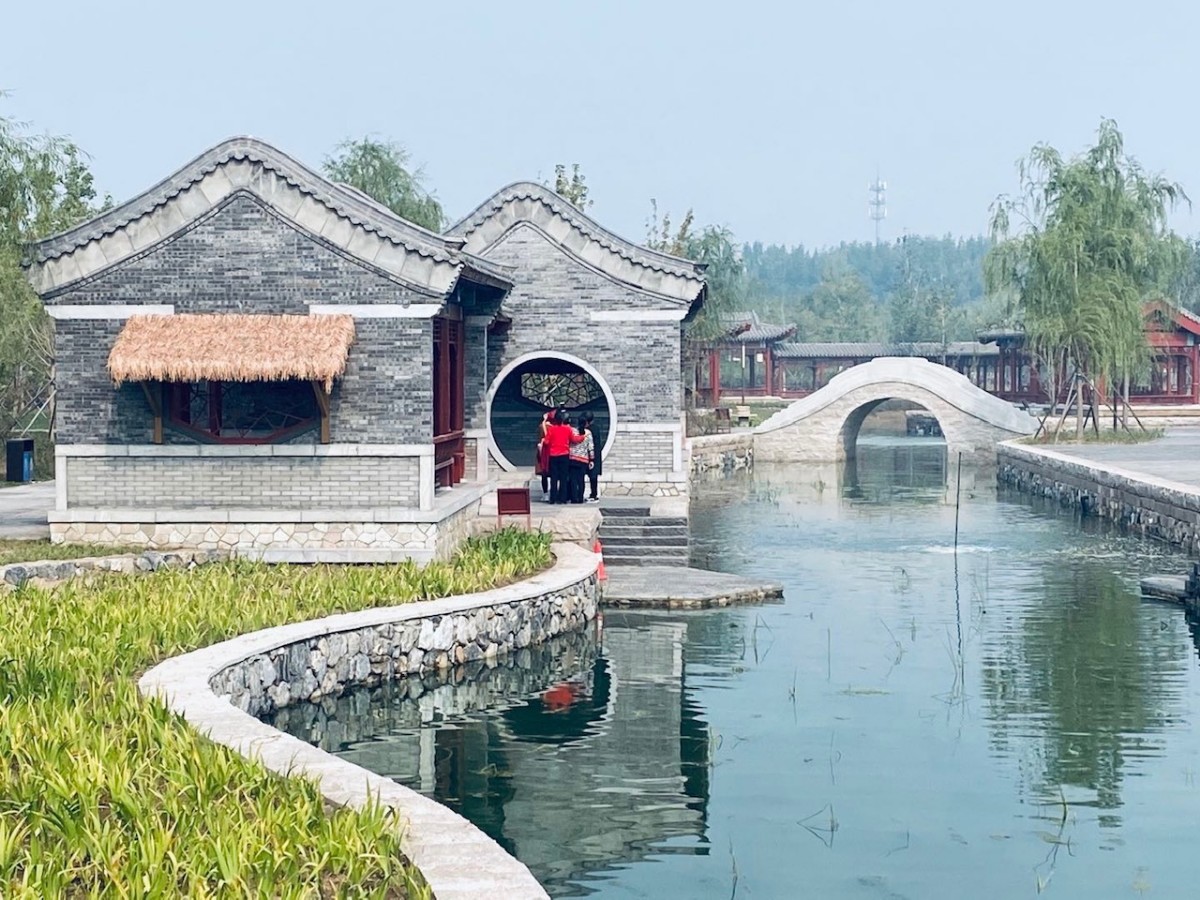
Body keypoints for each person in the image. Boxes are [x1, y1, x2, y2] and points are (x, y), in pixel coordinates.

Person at [544, 409, 584, 503]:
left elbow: (546, 442)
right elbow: (574, 439)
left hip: (553, 455)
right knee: (563, 477)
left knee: (554, 478)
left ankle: (552, 498)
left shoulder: (552, 429)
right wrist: (582, 437)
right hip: (564, 455)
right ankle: (562, 498)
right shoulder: (567, 429)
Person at [568, 416, 593, 504]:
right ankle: (580, 498)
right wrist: (592, 459)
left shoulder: (572, 431)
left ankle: (574, 498)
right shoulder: (588, 433)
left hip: (573, 458)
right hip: (583, 459)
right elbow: (591, 447)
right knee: (581, 480)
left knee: (573, 480)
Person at [535, 410, 553, 501]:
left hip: (543, 452)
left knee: (544, 474)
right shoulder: (554, 427)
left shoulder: (542, 427)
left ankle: (545, 493)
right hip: (553, 452)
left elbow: (539, 438)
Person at [583, 411, 601, 502]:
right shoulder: (596, 428)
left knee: (592, 475)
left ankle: (593, 495)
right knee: (593, 476)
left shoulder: (588, 430)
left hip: (590, 454)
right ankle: (594, 494)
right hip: (596, 454)